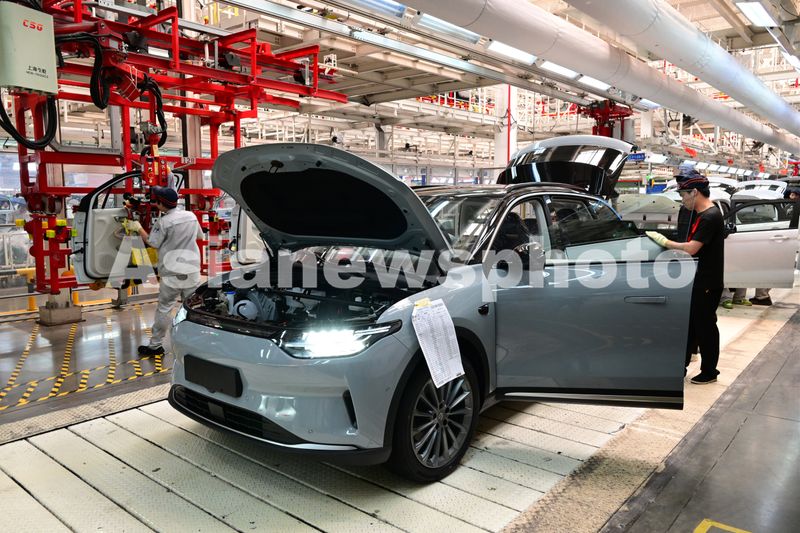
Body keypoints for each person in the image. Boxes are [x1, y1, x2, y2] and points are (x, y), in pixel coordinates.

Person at [646, 170, 725, 384]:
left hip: (706, 282)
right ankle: (680, 366)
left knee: (705, 327)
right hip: (694, 278)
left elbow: (691, 248)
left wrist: (664, 242)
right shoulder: (696, 214)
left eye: (683, 195)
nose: (682, 199)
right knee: (690, 324)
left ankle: (710, 371)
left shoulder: (710, 216)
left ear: (695, 192)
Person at [124, 186, 203, 356]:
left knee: (165, 308)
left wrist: (138, 227)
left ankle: (155, 346)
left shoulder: (163, 222)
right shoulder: (191, 216)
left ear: (160, 203)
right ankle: (197, 344)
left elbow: (153, 242)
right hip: (192, 269)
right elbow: (200, 236)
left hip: (172, 271)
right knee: (193, 308)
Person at [749, 186, 800, 306]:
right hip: (784, 239)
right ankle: (762, 295)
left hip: (785, 240)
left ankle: (762, 296)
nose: (792, 197)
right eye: (791, 194)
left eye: (795, 195)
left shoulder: (793, 207)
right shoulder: (789, 206)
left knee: (769, 267)